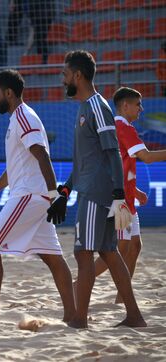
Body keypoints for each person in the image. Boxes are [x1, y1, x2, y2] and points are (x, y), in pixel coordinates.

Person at [48, 50, 146, 328]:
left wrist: (118, 194)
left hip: (98, 193)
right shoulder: (85, 107)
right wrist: (64, 192)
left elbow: (112, 151)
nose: (62, 79)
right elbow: (82, 161)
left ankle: (79, 319)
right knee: (107, 251)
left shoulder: (97, 105)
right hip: (92, 189)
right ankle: (135, 316)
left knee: (83, 252)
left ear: (77, 76)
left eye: (65, 74)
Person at [0, 69, 75, 322]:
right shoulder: (17, 118)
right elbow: (17, 165)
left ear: (9, 93)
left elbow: (42, 155)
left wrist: (55, 194)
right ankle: (73, 315)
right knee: (53, 257)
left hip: (29, 195)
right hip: (35, 195)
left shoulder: (24, 117)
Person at [93, 87, 166, 303]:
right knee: (117, 249)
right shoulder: (123, 127)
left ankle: (121, 297)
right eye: (138, 104)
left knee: (135, 245)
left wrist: (136, 191)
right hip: (118, 200)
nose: (141, 109)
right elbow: (147, 157)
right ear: (125, 105)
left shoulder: (120, 126)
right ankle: (78, 284)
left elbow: (121, 164)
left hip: (126, 196)